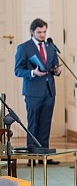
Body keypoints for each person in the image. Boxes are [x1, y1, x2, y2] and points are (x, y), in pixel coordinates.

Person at [14, 18, 62, 160]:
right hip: (33, 92)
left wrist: (57, 71)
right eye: (39, 32)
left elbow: (54, 66)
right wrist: (33, 72)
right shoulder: (24, 48)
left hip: (49, 90)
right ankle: (32, 156)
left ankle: (44, 154)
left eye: (44, 32)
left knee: (46, 123)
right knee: (33, 123)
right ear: (31, 32)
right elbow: (17, 70)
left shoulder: (50, 46)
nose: (42, 35)